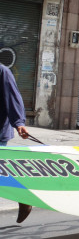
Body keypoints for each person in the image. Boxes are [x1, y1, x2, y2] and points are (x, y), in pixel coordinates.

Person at [1, 64, 33, 223]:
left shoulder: (3, 72)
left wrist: (19, 123)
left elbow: (13, 97)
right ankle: (23, 196)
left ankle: (23, 195)